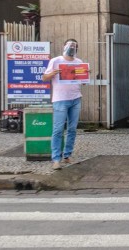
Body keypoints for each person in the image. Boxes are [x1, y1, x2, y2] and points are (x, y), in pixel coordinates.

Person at [42, 39, 84, 170]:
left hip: (76, 98)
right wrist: (52, 74)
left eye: (75, 46)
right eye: (70, 45)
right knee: (58, 129)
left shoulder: (79, 62)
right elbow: (44, 77)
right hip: (60, 99)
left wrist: (85, 76)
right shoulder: (55, 61)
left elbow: (82, 81)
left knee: (72, 129)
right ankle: (56, 158)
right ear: (64, 46)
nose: (72, 48)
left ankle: (67, 155)